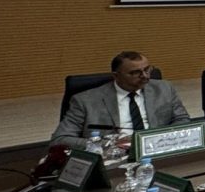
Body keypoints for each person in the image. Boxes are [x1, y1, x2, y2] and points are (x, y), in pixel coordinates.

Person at [53, 51, 192, 149]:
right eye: (135, 72)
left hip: (156, 149)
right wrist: (109, 144)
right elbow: (60, 139)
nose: (145, 76)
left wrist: (157, 138)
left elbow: (182, 120)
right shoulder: (85, 101)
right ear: (116, 76)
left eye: (147, 69)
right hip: (113, 156)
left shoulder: (164, 89)